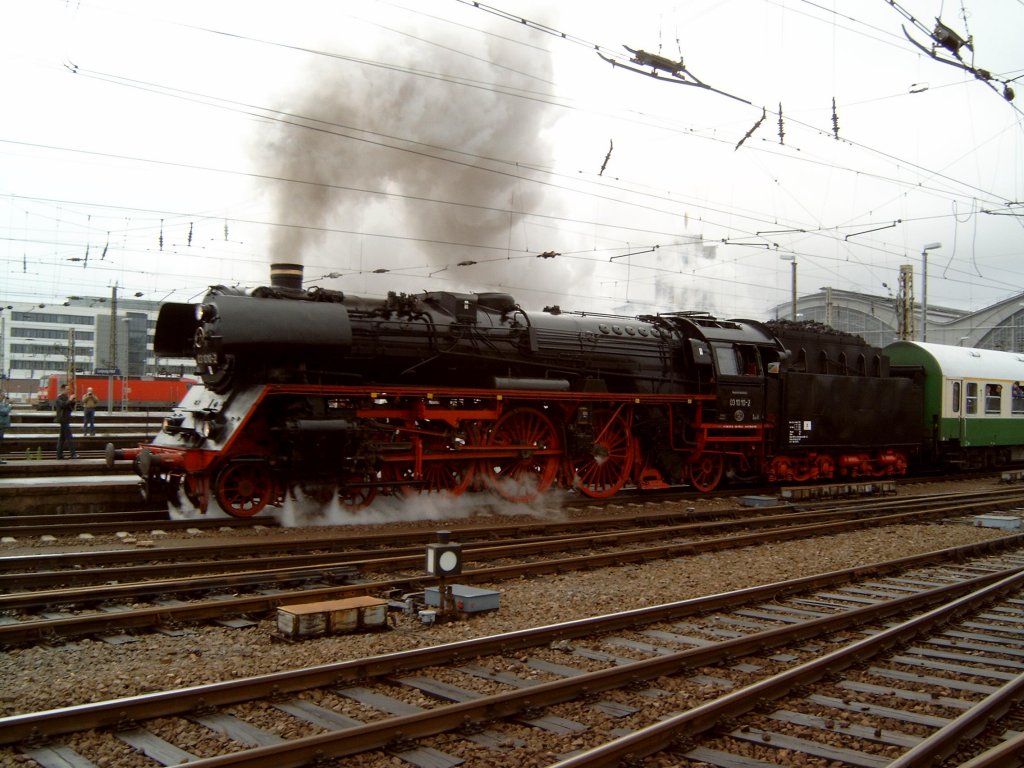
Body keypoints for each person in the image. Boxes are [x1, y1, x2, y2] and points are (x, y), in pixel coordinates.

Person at [55, 383, 78, 460]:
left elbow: (70, 408)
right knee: (69, 437)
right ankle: (73, 454)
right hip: (63, 419)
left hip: (66, 419)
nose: (68, 391)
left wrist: (73, 402)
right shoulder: (59, 398)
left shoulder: (66, 397)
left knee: (62, 438)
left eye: (69, 389)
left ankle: (59, 455)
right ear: (63, 389)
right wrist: (70, 400)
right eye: (67, 389)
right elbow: (63, 405)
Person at [0, 392, 11, 464]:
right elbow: (4, 412)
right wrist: (8, 405)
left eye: (3, 396)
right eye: (2, 395)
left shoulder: (1, 403)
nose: (3, 397)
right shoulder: (2, 404)